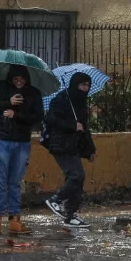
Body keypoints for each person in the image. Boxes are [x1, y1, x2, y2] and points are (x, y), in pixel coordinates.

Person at [0, 65, 43, 236]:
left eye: (22, 79)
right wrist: (8, 103)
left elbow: (38, 116)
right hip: (1, 140)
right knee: (0, 181)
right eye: (15, 79)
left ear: (27, 79)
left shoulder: (33, 93)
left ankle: (15, 220)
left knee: (15, 182)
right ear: (10, 78)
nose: (19, 82)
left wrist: (16, 115)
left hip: (22, 142)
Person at [44, 72, 96, 228]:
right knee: (76, 175)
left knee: (77, 180)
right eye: (82, 85)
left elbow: (84, 129)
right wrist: (72, 126)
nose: (85, 88)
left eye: (87, 85)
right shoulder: (61, 100)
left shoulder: (80, 103)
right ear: (75, 85)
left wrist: (90, 149)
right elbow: (50, 119)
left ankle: (70, 214)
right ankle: (56, 200)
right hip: (60, 145)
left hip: (74, 145)